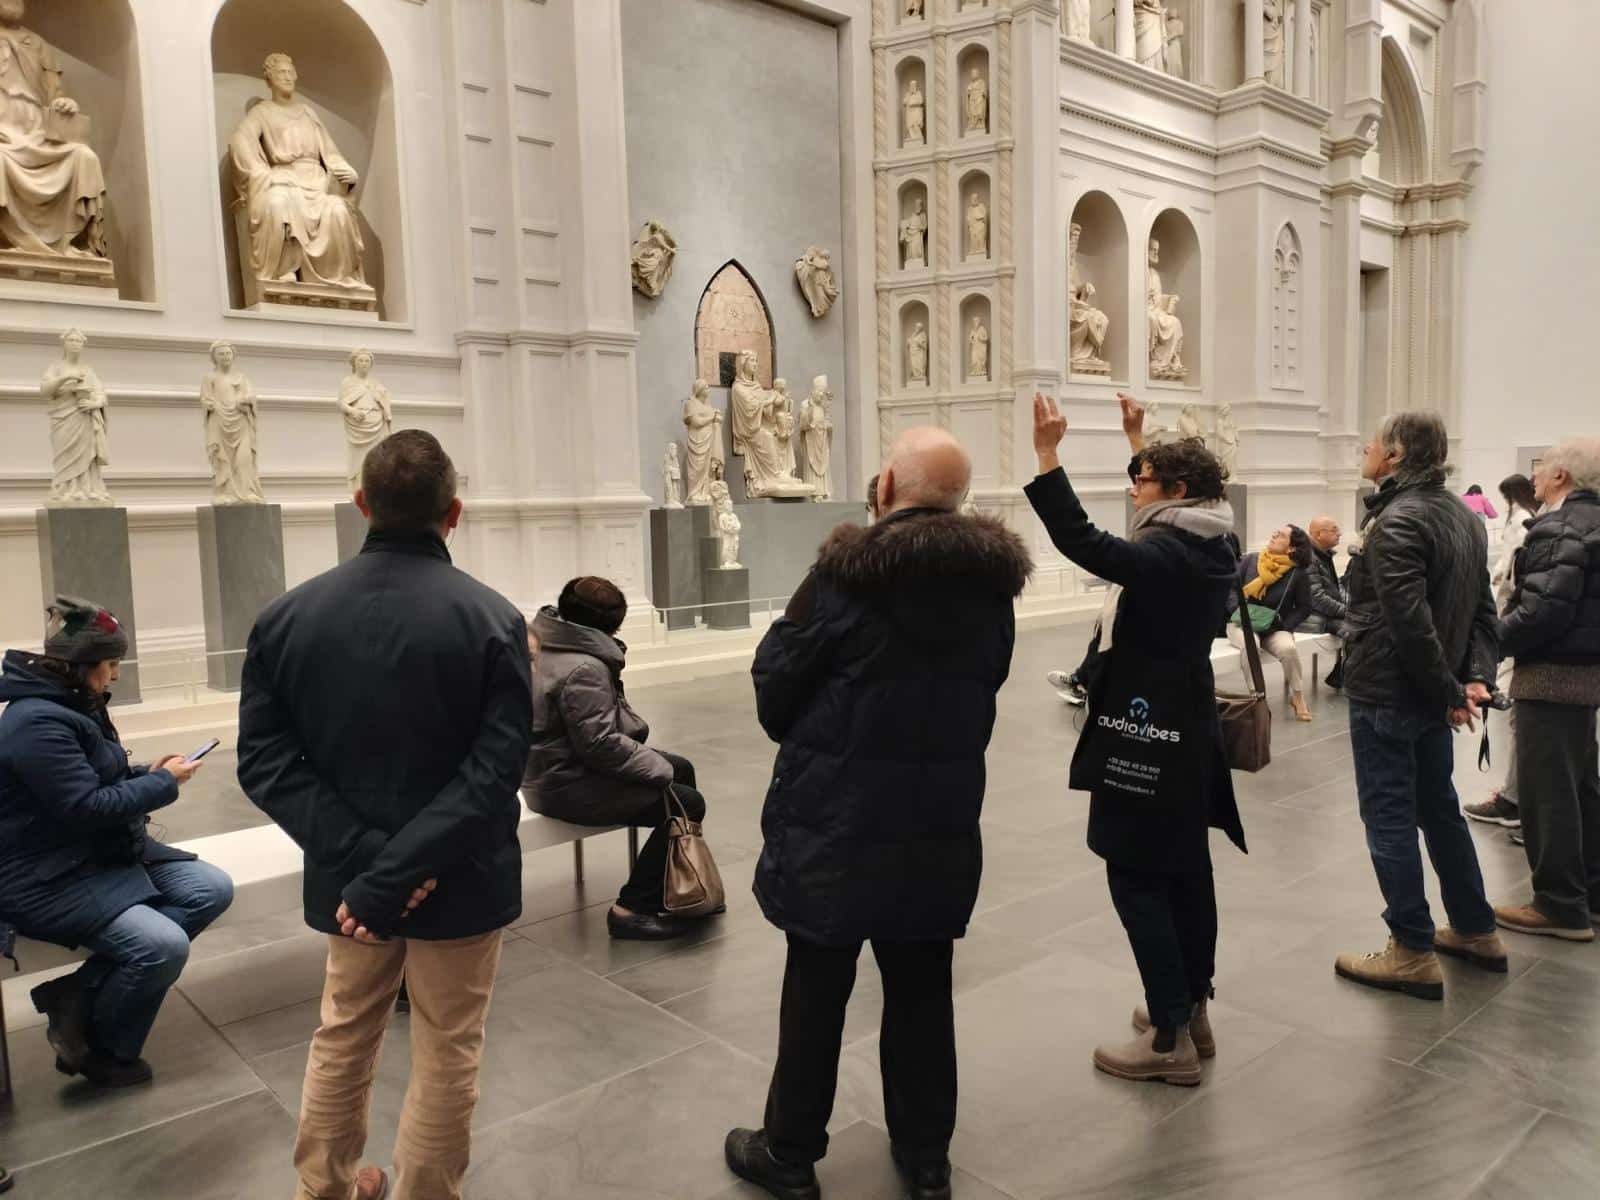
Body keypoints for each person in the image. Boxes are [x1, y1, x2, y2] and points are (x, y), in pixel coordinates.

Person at [723, 427, 1030, 1200]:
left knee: (816, 990)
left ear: (887, 485)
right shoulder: (992, 590)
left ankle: (790, 1153)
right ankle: (926, 1159)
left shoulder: (844, 577)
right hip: (937, 821)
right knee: (923, 988)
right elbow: (988, 681)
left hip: (838, 819)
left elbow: (775, 685)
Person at [237, 430, 533, 1200]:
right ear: (454, 513)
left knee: (344, 1030)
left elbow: (265, 762)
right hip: (457, 874)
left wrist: (370, 866)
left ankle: (324, 1188)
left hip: (351, 884)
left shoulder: (286, 617)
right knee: (448, 1044)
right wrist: (399, 869)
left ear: (361, 504)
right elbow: (495, 772)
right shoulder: (493, 619)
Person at [1023, 394, 1246, 1089]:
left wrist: (1047, 455)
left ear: (1175, 492)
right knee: (1185, 868)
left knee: (1136, 872)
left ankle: (1168, 1038)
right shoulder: (1214, 537)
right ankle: (1191, 1010)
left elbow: (1087, 543)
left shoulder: (1164, 553)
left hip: (1145, 730)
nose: (1133, 488)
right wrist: (1138, 439)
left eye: (1142, 480)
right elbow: (1155, 515)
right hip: (1188, 725)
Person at [0, 597, 230, 1088]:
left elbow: (95, 779)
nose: (115, 676)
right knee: (162, 946)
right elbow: (84, 806)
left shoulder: (73, 704)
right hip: (46, 875)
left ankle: (76, 994)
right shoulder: (36, 723)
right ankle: (103, 1050)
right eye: (111, 664)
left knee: (210, 888)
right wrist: (163, 783)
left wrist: (145, 773)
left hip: (98, 852)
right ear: (82, 664)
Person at [1334, 411, 1506, 1001]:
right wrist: (1471, 680)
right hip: (1428, 690)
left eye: (1373, 442)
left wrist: (1453, 692)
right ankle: (1476, 928)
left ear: (1397, 455)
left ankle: (1410, 949)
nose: (1365, 448)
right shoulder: (1463, 516)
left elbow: (1409, 625)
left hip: (1390, 692)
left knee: (1389, 815)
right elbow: (1483, 615)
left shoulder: (1398, 519)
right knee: (1439, 808)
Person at [523, 576, 716, 941]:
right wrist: (657, 769)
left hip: (550, 769)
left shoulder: (551, 641)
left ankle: (682, 883)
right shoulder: (584, 668)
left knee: (682, 769)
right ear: (611, 624)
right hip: (565, 784)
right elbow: (600, 745)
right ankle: (631, 909)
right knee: (687, 803)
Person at [1488, 439, 1600, 941]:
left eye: (1542, 468)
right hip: (1584, 676)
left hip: (1552, 676)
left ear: (1561, 476)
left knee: (1548, 794)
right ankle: (1589, 894)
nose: (1533, 476)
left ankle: (1558, 905)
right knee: (1580, 788)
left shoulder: (1559, 526)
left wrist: (1488, 642)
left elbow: (1542, 612)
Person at [1464, 472, 1539, 833]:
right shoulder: (1525, 516)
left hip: (1533, 634)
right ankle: (1520, 802)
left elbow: (1516, 565)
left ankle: (1522, 806)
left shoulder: (1525, 520)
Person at [1227, 525, 1315, 721]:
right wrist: (1237, 610)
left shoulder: (1297, 573)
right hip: (1242, 623)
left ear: (1291, 548)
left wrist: (1283, 624)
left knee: (1288, 648)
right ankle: (1257, 698)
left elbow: (1304, 607)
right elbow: (1231, 588)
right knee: (1250, 645)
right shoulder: (1251, 560)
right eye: (1275, 532)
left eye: (1281, 535)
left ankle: (1298, 697)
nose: (1274, 535)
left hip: (1274, 627)